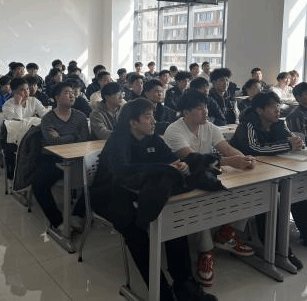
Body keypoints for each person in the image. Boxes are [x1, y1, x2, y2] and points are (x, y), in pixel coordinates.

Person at [90, 98, 218, 301]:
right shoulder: (118, 141)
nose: (153, 121)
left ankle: (184, 285)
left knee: (174, 220)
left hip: (140, 192)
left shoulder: (153, 138)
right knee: (135, 231)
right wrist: (163, 168)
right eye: (148, 117)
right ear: (133, 122)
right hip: (110, 195)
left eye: (153, 116)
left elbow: (170, 159)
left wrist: (180, 165)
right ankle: (161, 292)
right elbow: (122, 172)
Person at [230, 92, 307, 266]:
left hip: (272, 172)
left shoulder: (278, 124)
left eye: (278, 106)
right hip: (246, 178)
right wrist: (287, 145)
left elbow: (291, 141)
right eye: (272, 107)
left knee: (295, 195)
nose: (278, 110)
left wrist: (297, 142)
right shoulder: (247, 125)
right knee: (270, 199)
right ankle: (278, 250)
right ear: (260, 110)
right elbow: (254, 148)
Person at [164, 90, 256, 287]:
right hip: (184, 182)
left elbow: (227, 149)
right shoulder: (174, 131)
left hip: (207, 176)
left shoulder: (209, 126)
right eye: (200, 108)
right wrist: (231, 161)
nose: (205, 111)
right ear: (186, 112)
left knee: (250, 189)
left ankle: (226, 234)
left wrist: (245, 158)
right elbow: (193, 159)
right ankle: (205, 252)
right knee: (203, 201)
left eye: (205, 107)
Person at [32, 82, 90, 231]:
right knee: (38, 184)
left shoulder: (81, 116)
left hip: (77, 157)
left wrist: (63, 137)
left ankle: (77, 215)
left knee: (98, 177)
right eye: (67, 92)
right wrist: (73, 136)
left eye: (73, 92)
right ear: (57, 98)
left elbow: (84, 139)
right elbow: (53, 142)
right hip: (53, 157)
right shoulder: (48, 118)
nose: (72, 95)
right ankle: (58, 222)